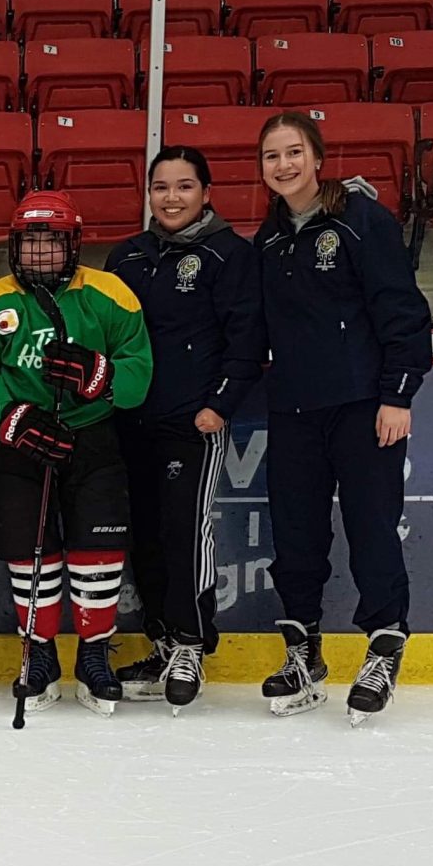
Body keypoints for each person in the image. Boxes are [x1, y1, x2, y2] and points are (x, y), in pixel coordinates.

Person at [249, 109, 433, 723]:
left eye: (294, 152)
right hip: (296, 410)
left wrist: (398, 394)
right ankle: (303, 653)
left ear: (318, 157)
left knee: (371, 530)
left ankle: (384, 644)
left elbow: (402, 310)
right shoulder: (269, 239)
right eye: (273, 156)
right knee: (297, 537)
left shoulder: (361, 221)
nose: (285, 165)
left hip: (363, 408)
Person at [0, 192, 153, 714]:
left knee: (97, 551)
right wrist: (11, 420)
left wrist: (103, 377)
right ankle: (38, 654)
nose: (41, 252)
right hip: (21, 445)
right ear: (14, 246)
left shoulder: (111, 293)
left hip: (94, 441)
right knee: (28, 551)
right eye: (31, 240)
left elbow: (139, 368)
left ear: (74, 243)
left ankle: (93, 655)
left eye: (52, 240)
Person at [104, 145, 263, 711]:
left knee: (183, 527)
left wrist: (218, 404)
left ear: (206, 193)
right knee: (143, 534)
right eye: (161, 187)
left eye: (184, 186)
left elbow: (246, 340)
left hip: (191, 421)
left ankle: (192, 641)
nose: (171, 198)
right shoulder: (126, 258)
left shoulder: (228, 255)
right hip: (129, 420)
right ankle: (162, 641)